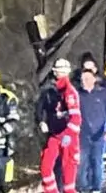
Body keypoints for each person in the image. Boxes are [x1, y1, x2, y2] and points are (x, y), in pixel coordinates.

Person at [37, 59, 82, 193]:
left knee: (68, 173)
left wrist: (68, 135)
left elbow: (76, 118)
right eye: (58, 72)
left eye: (61, 72)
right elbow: (44, 108)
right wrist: (43, 121)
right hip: (55, 135)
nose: (59, 75)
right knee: (46, 167)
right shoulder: (53, 91)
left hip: (68, 136)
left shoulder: (69, 92)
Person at [77, 68, 106, 193]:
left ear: (94, 79)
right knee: (82, 164)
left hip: (99, 134)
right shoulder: (77, 95)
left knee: (96, 162)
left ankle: (96, 188)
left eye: (87, 79)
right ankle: (82, 188)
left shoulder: (104, 94)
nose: (84, 81)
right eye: (82, 79)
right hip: (82, 135)